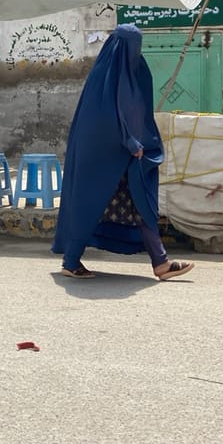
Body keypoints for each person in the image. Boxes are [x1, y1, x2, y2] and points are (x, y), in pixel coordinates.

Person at [52, 23, 194, 280]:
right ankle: (71, 261)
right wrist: (130, 142)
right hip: (99, 155)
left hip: (128, 156)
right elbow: (104, 118)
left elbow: (135, 112)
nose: (135, 52)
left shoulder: (135, 73)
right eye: (132, 46)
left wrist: (139, 142)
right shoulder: (103, 77)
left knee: (141, 203)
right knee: (90, 204)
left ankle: (161, 262)